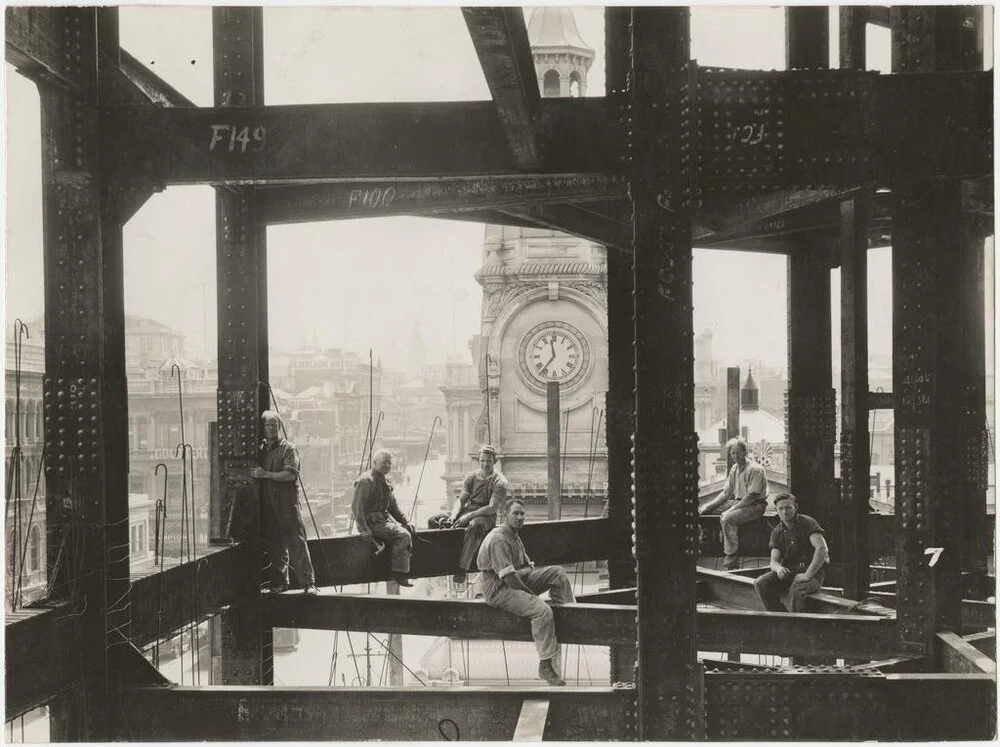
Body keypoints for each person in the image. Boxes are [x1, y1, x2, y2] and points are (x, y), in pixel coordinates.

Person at [476, 498, 575, 686]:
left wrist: (524, 574)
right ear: (505, 515)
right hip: (497, 589)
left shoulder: (514, 536)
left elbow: (528, 567)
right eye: (516, 513)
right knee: (542, 611)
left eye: (522, 514)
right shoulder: (499, 538)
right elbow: (509, 578)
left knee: (558, 574)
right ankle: (545, 665)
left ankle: (569, 616)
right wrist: (531, 593)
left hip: (515, 578)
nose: (520, 517)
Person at [251, 410, 318, 595]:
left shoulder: (288, 448)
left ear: (279, 427)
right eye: (267, 425)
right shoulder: (261, 450)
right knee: (276, 545)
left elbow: (290, 474)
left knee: (297, 542)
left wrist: (266, 474)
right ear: (263, 428)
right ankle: (280, 583)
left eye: (274, 425)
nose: (271, 428)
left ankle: (308, 583)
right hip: (269, 504)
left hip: (287, 503)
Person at [698, 437, 769, 569]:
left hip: (755, 506)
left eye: (737, 452)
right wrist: (709, 506)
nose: (735, 456)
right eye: (732, 453)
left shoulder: (754, 469)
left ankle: (731, 555)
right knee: (704, 511)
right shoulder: (734, 469)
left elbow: (752, 497)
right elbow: (726, 493)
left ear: (744, 452)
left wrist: (730, 510)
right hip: (738, 502)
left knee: (728, 518)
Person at [442, 445, 509, 586]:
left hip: (485, 516)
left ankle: (462, 568)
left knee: (475, 526)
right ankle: (442, 561)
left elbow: (492, 507)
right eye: (482, 460)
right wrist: (453, 516)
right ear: (479, 460)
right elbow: (461, 500)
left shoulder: (500, 481)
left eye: (488, 461)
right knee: (437, 521)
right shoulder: (472, 477)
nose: (485, 464)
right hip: (469, 510)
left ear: (494, 461)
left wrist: (468, 517)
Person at [753, 492, 830, 613]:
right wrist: (778, 569)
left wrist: (808, 575)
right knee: (761, 583)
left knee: (797, 589)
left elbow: (821, 549)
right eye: (781, 508)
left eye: (788, 507)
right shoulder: (777, 532)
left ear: (796, 507)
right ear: (776, 510)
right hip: (791, 572)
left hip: (813, 573)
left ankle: (796, 626)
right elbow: (774, 561)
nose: (784, 512)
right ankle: (781, 617)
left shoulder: (808, 523)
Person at [352, 449, 417, 587]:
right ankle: (399, 574)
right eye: (383, 463)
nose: (387, 466)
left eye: (389, 463)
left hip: (383, 522)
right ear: (374, 463)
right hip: (372, 524)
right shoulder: (366, 481)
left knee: (407, 530)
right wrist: (364, 529)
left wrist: (406, 521)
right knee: (404, 536)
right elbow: (357, 508)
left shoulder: (385, 482)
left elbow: (393, 507)